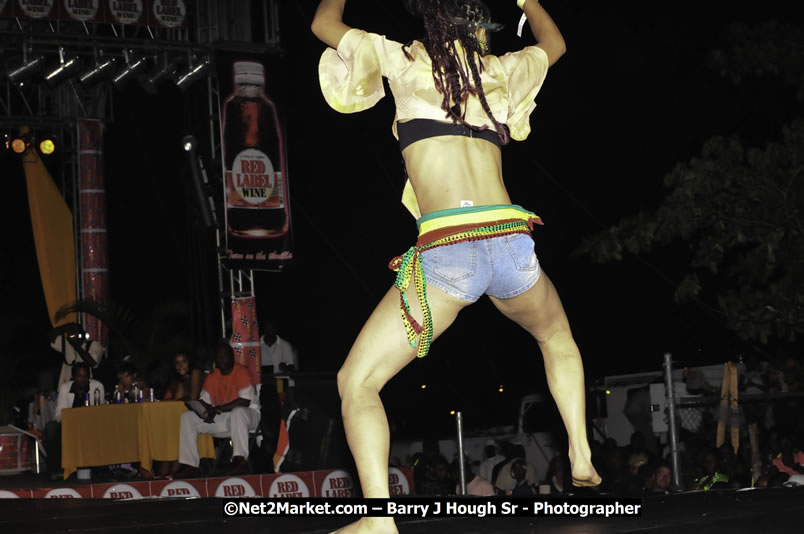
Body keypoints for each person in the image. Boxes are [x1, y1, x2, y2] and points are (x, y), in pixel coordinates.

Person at [313, 0, 600, 531]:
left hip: (451, 249)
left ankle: (377, 521)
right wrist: (527, 1)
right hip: (511, 240)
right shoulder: (499, 71)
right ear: (479, 32)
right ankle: (580, 452)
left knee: (357, 382)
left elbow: (323, 26)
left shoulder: (403, 59)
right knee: (557, 337)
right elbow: (555, 44)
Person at [175, 341, 260, 477]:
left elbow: (244, 401)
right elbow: (205, 401)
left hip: (249, 416)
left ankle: (240, 460)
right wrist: (202, 410)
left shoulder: (241, 372)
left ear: (232, 357)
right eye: (219, 357)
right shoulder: (212, 377)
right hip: (224, 418)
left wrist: (217, 409)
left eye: (224, 356)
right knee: (187, 417)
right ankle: (190, 465)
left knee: (238, 412)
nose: (221, 360)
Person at [44, 362, 105, 479]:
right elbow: (58, 414)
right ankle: (56, 470)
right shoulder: (65, 388)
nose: (82, 379)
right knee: (51, 428)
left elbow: (101, 412)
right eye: (79, 376)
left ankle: (100, 469)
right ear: (73, 377)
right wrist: (69, 422)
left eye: (85, 376)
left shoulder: (97, 387)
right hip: (69, 426)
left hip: (91, 426)